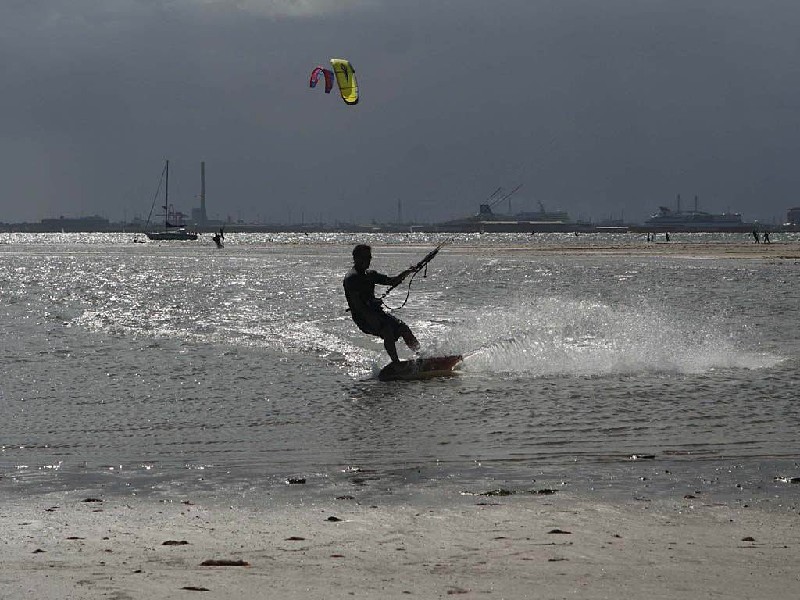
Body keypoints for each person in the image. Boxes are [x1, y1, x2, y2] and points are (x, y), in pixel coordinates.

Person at [343, 244, 419, 363]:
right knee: (387, 330)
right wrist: (372, 303)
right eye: (364, 257)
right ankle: (396, 364)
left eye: (369, 257)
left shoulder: (371, 274)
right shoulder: (351, 278)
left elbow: (392, 281)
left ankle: (421, 355)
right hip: (362, 317)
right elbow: (358, 305)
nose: (367, 260)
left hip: (376, 313)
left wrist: (407, 272)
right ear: (355, 258)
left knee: (403, 328)